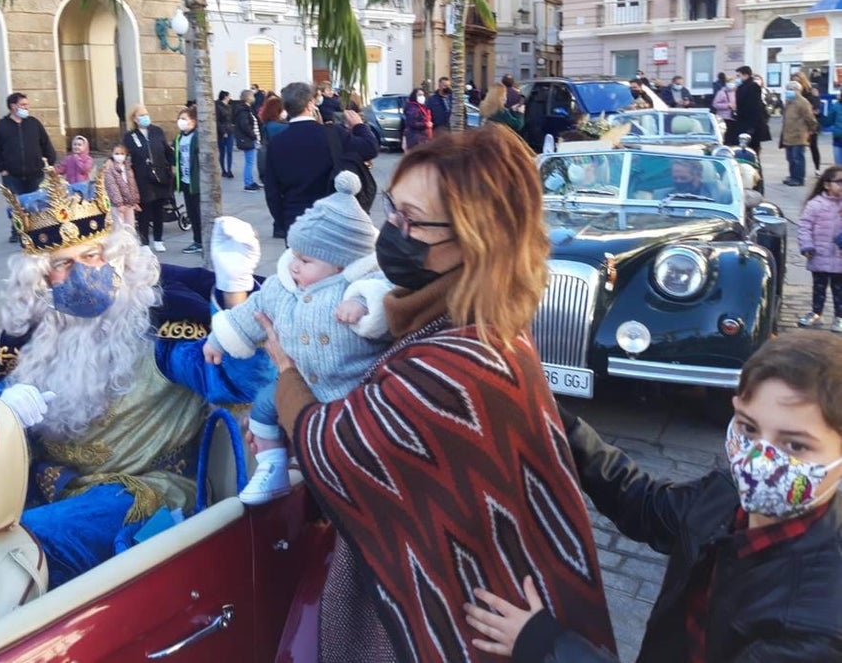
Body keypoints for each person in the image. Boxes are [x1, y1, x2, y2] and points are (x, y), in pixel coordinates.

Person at [266, 126, 616, 661]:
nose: (393, 230)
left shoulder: (450, 361)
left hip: (445, 619)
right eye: (392, 209)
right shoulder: (470, 319)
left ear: (477, 240)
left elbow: (334, 447)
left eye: (414, 222)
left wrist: (287, 375)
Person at [0, 170, 274, 587]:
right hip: (53, 481)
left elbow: (239, 381)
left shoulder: (160, 332)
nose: (81, 273)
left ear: (117, 258)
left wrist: (234, 294)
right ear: (41, 279)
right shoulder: (35, 337)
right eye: (63, 264)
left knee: (26, 544)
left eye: (93, 256)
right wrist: (1, 411)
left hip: (142, 489)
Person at [468, 331, 842, 662]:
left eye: (794, 444)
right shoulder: (726, 497)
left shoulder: (814, 626)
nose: (760, 459)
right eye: (748, 427)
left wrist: (543, 644)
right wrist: (551, 417)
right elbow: (643, 502)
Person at [206, 172, 390, 504]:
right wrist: (219, 339)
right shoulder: (282, 287)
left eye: (306, 261)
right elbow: (252, 312)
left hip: (348, 391)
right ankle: (273, 467)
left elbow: (385, 297)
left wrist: (363, 304)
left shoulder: (357, 285)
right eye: (294, 255)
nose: (294, 266)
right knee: (262, 408)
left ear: (340, 265)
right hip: (298, 383)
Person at [263, 82, 378, 237]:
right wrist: (359, 126)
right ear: (310, 104)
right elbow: (370, 148)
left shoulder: (276, 143)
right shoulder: (333, 134)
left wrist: (282, 221)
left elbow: (272, 190)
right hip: (331, 217)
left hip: (296, 220)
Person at [0, 92, 56, 244]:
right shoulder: (1, 126)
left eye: (27, 105)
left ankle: (36, 230)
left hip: (35, 172)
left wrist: (51, 162)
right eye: (23, 105)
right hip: (12, 174)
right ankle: (17, 231)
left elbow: (45, 143)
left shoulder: (33, 123)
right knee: (16, 204)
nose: (26, 107)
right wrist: (2, 168)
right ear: (13, 106)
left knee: (35, 202)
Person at [796, 166, 842, 332]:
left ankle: (839, 317)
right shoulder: (815, 205)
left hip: (839, 256)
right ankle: (816, 313)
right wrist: (807, 245)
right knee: (819, 287)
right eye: (839, 182)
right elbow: (804, 226)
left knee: (839, 289)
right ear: (827, 185)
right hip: (819, 254)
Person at [125, 104, 174, 251]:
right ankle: (145, 242)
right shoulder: (130, 136)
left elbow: (166, 150)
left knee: (159, 209)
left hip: (160, 175)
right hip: (142, 177)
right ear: (134, 118)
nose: (144, 117)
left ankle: (159, 239)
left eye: (146, 114)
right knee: (144, 211)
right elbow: (125, 154)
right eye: (141, 115)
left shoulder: (157, 131)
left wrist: (173, 164)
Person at [173, 106, 203, 255]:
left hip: (196, 182)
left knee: (198, 213)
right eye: (180, 118)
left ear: (193, 121)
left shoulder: (197, 137)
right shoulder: (179, 138)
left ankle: (201, 241)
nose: (181, 121)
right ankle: (197, 240)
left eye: (184, 118)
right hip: (185, 181)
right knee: (191, 213)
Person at [781, 79, 818, 186]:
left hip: (799, 135)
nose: (788, 91)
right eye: (788, 89)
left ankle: (799, 178)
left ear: (798, 90)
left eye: (791, 89)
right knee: (790, 159)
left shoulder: (803, 102)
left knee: (798, 158)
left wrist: (812, 129)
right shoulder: (789, 102)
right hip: (789, 135)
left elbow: (810, 118)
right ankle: (792, 176)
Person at [103, 144, 141, 230]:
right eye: (116, 153)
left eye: (122, 153)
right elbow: (112, 187)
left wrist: (135, 201)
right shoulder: (110, 169)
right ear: (112, 154)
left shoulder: (128, 168)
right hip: (118, 205)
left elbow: (133, 185)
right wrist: (119, 203)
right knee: (119, 228)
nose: (119, 156)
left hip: (129, 203)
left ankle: (130, 243)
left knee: (130, 227)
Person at [734, 66, 770, 155]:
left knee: (753, 150)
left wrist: (751, 127)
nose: (737, 78)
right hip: (744, 122)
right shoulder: (741, 87)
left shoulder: (753, 87)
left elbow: (754, 107)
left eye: (739, 76)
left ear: (745, 75)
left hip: (750, 124)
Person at [794, 71, 823, 176]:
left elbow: (816, 108)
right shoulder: (794, 93)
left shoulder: (811, 91)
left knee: (813, 146)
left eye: (797, 81)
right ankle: (798, 172)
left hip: (810, 123)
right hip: (798, 123)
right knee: (798, 148)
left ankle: (817, 168)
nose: (795, 84)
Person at [232, 89, 262, 192]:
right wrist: (253, 136)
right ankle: (248, 183)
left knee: (250, 162)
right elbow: (245, 125)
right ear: (248, 97)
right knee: (249, 162)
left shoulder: (247, 109)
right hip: (248, 139)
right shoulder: (243, 110)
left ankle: (250, 181)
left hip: (249, 139)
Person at [652, 158, 719, 200]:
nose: (679, 181)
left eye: (683, 178)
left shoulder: (716, 194)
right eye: (675, 178)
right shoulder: (661, 195)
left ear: (698, 176)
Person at [712, 72, 738, 144]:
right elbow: (715, 104)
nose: (730, 84)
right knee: (725, 135)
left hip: (735, 117)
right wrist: (727, 105)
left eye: (732, 82)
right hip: (724, 117)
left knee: (733, 136)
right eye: (728, 82)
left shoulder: (737, 92)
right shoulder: (721, 92)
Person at [215, 90, 235, 179]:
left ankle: (229, 170)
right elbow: (217, 121)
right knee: (222, 152)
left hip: (230, 130)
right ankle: (223, 170)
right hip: (222, 132)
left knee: (230, 151)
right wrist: (223, 132)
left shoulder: (229, 106)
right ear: (225, 96)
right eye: (229, 96)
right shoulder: (218, 107)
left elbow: (231, 119)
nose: (230, 97)